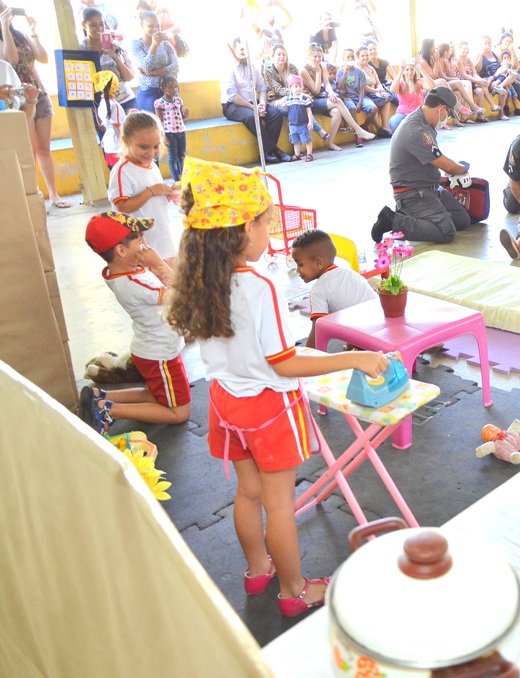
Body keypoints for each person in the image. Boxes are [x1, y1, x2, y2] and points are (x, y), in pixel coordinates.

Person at [166, 157, 389, 617]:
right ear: (245, 229)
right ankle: (294, 592)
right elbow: (284, 363)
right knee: (280, 505)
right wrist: (355, 358)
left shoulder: (200, 278)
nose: (269, 234)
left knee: (248, 495)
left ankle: (257, 571)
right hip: (268, 409)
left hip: (224, 403)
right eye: (267, 224)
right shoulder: (259, 286)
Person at [80, 212, 190, 433]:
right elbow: (183, 295)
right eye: (140, 241)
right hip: (161, 354)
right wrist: (159, 264)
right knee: (180, 412)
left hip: (150, 350)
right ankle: (108, 409)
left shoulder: (120, 272)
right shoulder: (135, 283)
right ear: (121, 251)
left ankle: (98, 396)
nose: (146, 246)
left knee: (156, 394)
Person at [371, 87, 470, 244]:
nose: (447, 118)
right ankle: (393, 221)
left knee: (461, 220)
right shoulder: (416, 129)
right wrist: (464, 168)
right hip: (412, 192)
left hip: (429, 187)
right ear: (441, 109)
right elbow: (448, 166)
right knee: (447, 232)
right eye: (449, 113)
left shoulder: (423, 122)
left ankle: (409, 215)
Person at [0, 3, 68, 209]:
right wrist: (4, 28)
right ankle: (34, 198)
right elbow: (11, 59)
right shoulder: (4, 37)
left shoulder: (21, 35)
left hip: (40, 93)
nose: (5, 13)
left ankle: (54, 195)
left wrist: (33, 32)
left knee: (44, 149)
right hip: (19, 99)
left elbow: (43, 58)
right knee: (28, 152)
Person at [108, 111, 178, 259]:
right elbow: (122, 207)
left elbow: (153, 201)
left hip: (163, 239)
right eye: (144, 147)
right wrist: (151, 191)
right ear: (126, 141)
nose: (151, 153)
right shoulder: (122, 170)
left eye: (156, 146)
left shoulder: (152, 165)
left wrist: (168, 193)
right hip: (142, 248)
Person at [290, 229, 376, 349]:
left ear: (319, 263)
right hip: (381, 326)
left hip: (367, 339)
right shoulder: (350, 273)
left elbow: (317, 330)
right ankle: (353, 347)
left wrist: (308, 354)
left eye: (300, 265)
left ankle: (357, 348)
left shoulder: (319, 290)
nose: (297, 270)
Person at [222, 37, 293, 165]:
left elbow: (262, 88)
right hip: (233, 105)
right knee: (252, 117)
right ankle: (276, 151)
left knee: (276, 115)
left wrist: (262, 104)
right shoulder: (229, 68)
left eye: (246, 48)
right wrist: (254, 108)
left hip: (253, 103)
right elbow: (233, 96)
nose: (244, 51)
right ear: (234, 50)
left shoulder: (253, 66)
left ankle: (265, 153)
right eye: (241, 48)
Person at [80, 7, 136, 111]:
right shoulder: (82, 49)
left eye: (101, 24)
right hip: (101, 105)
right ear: (84, 25)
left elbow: (129, 77)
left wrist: (114, 56)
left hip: (125, 99)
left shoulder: (114, 45)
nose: (99, 28)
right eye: (93, 24)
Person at [130, 10, 177, 113]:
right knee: (150, 122)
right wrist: (154, 45)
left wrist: (152, 73)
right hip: (149, 92)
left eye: (157, 26)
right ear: (141, 26)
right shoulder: (136, 44)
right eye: (150, 26)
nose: (155, 29)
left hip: (169, 91)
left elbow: (175, 66)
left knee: (173, 122)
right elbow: (146, 66)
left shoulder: (166, 44)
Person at [153, 75, 187, 180]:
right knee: (173, 157)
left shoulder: (178, 101)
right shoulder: (160, 103)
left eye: (176, 87)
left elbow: (181, 117)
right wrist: (163, 136)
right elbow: (159, 121)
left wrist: (185, 114)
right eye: (170, 88)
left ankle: (183, 177)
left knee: (182, 156)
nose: (174, 90)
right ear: (162, 89)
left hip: (181, 131)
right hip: (169, 133)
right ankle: (176, 179)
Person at [388, 59, 432, 130]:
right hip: (402, 114)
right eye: (407, 70)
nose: (409, 72)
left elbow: (432, 86)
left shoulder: (419, 82)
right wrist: (400, 72)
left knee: (415, 124)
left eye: (412, 69)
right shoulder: (400, 83)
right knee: (393, 122)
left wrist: (421, 70)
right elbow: (392, 90)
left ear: (414, 71)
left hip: (416, 114)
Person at [93, 70, 125, 170]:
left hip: (109, 144)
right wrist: (125, 146)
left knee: (115, 173)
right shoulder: (114, 105)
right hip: (118, 145)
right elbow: (117, 128)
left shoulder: (103, 103)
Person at [283, 74, 315, 161]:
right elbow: (288, 110)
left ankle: (309, 154)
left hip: (303, 124)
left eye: (300, 86)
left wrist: (310, 122)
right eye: (296, 86)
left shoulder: (304, 98)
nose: (298, 88)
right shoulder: (289, 99)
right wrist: (284, 107)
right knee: (295, 140)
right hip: (292, 124)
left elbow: (309, 111)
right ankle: (297, 154)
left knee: (307, 139)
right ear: (290, 88)